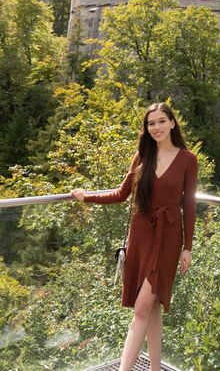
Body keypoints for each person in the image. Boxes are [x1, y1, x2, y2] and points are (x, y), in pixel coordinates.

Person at [71, 102, 198, 371]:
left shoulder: (188, 159)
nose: (156, 127)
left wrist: (187, 247)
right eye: (151, 123)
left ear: (172, 123)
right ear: (146, 128)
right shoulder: (142, 155)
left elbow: (189, 205)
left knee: (142, 307)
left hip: (168, 237)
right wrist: (87, 197)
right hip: (141, 235)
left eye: (161, 121)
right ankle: (154, 368)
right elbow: (121, 193)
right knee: (150, 308)